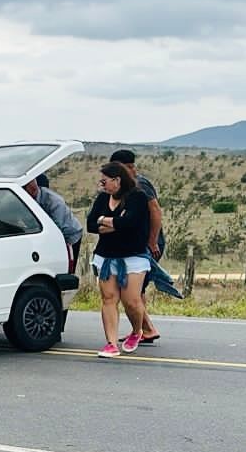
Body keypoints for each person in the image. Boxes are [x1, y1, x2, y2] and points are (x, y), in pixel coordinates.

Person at [86, 162, 151, 358]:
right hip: (106, 256)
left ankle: (137, 330)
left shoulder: (137, 197)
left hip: (133, 256)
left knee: (131, 301)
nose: (102, 185)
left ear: (117, 180)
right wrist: (111, 222)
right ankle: (111, 343)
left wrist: (105, 220)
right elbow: (90, 224)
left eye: (105, 181)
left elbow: (130, 223)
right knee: (108, 299)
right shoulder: (103, 198)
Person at [109, 149, 164, 341]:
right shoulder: (123, 186)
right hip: (135, 241)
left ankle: (146, 329)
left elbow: (155, 211)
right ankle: (143, 329)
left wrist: (152, 240)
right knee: (135, 289)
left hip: (146, 241)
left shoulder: (139, 184)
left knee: (132, 290)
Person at [25, 176, 82, 271]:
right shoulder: (30, 199)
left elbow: (56, 228)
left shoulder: (53, 201)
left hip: (70, 235)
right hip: (52, 234)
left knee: (67, 268)